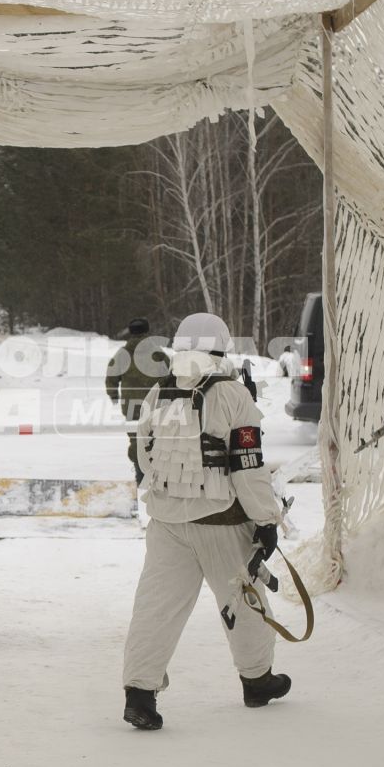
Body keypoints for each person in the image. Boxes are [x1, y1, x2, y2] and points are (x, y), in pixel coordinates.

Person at [121, 312, 289, 731]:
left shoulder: (156, 392)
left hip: (165, 523)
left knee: (155, 609)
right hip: (222, 522)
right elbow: (248, 468)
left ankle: (140, 694)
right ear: (222, 347)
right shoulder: (234, 395)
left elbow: (144, 457)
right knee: (244, 600)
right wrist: (266, 520)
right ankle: (257, 680)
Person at [104, 317, 171, 483]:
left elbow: (111, 376)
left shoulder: (122, 354)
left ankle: (140, 473)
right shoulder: (158, 352)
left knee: (136, 438)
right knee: (157, 437)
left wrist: (113, 394)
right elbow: (170, 375)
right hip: (155, 404)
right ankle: (158, 474)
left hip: (131, 406)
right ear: (147, 331)